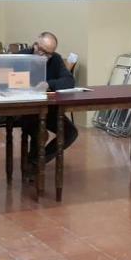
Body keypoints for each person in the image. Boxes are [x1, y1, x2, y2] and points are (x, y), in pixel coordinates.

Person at [20, 32, 77, 174]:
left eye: (48, 54)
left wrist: (48, 84)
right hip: (23, 110)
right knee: (40, 132)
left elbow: (69, 81)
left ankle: (35, 162)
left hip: (47, 109)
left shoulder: (55, 60)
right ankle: (33, 166)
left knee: (70, 132)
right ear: (35, 45)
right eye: (41, 51)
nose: (44, 56)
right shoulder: (21, 57)